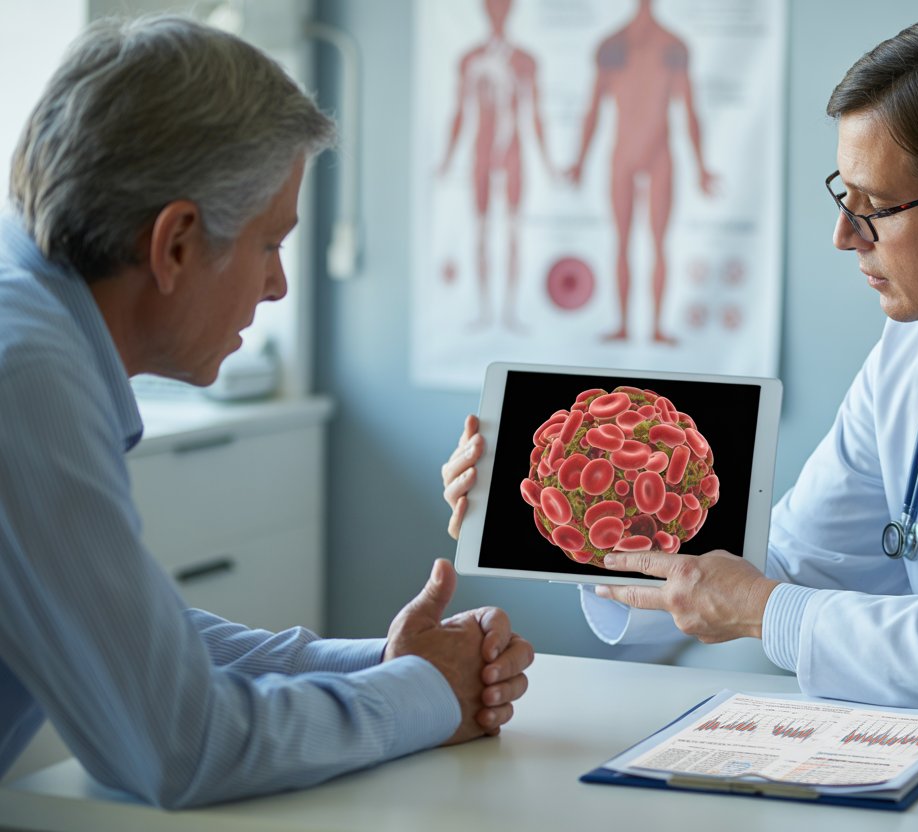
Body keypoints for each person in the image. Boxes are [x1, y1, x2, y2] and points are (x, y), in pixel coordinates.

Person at [447, 10, 918, 723]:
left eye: (872, 205)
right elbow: (785, 563)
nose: (845, 237)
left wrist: (764, 610)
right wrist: (552, 515)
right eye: (842, 196)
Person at [0, 15, 533, 808]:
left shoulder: (32, 325)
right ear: (176, 242)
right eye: (271, 243)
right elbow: (180, 744)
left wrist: (388, 663)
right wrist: (427, 693)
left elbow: (132, 636)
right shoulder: (28, 379)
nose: (278, 286)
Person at [565, 0, 717, 344]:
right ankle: (623, 324)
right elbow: (593, 109)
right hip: (623, 154)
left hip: (659, 153)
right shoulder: (612, 46)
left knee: (658, 243)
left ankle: (656, 327)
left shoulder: (672, 46)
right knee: (622, 241)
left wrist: (701, 166)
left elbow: (690, 110)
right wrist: (579, 160)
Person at [438, 0, 552, 331]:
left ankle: (510, 310)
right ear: (486, 12)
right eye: (492, 8)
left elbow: (535, 113)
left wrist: (548, 163)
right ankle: (486, 310)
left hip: (513, 152)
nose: (497, 14)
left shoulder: (525, 60)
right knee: (482, 230)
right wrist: (447, 159)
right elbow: (459, 112)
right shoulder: (469, 59)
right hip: (482, 152)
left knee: (513, 231)